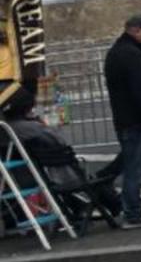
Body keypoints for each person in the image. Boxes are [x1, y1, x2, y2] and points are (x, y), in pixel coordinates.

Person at [1, 86, 123, 230]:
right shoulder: (33, 128)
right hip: (60, 173)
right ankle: (113, 203)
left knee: (90, 181)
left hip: (41, 176)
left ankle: (89, 206)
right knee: (92, 180)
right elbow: (60, 142)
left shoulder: (9, 129)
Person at [102, 14, 141, 228]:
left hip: (129, 119)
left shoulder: (122, 52)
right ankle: (133, 213)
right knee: (135, 168)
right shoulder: (130, 55)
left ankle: (131, 209)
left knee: (134, 165)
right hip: (135, 120)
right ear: (136, 30)